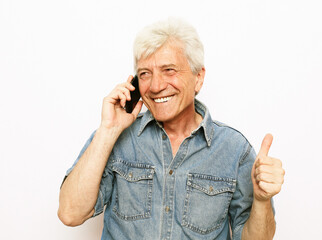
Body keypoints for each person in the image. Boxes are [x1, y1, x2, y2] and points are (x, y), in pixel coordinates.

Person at [58, 18, 285, 240]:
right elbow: (70, 214)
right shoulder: (115, 136)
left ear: (198, 77)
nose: (156, 86)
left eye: (169, 70)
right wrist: (108, 129)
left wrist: (263, 201)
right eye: (145, 73)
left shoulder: (234, 150)